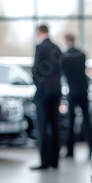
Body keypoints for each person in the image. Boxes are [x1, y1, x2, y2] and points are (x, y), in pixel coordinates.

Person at [31, 24, 62, 170]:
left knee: (42, 126)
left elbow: (36, 69)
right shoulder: (57, 47)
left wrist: (39, 84)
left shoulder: (40, 47)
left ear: (39, 32)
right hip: (56, 90)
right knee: (55, 125)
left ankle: (44, 161)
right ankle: (55, 161)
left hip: (43, 92)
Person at [60, 33, 92, 158]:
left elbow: (63, 73)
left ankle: (70, 151)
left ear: (66, 41)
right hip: (83, 91)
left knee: (70, 121)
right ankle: (90, 149)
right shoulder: (82, 54)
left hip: (72, 92)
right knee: (86, 120)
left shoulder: (64, 56)